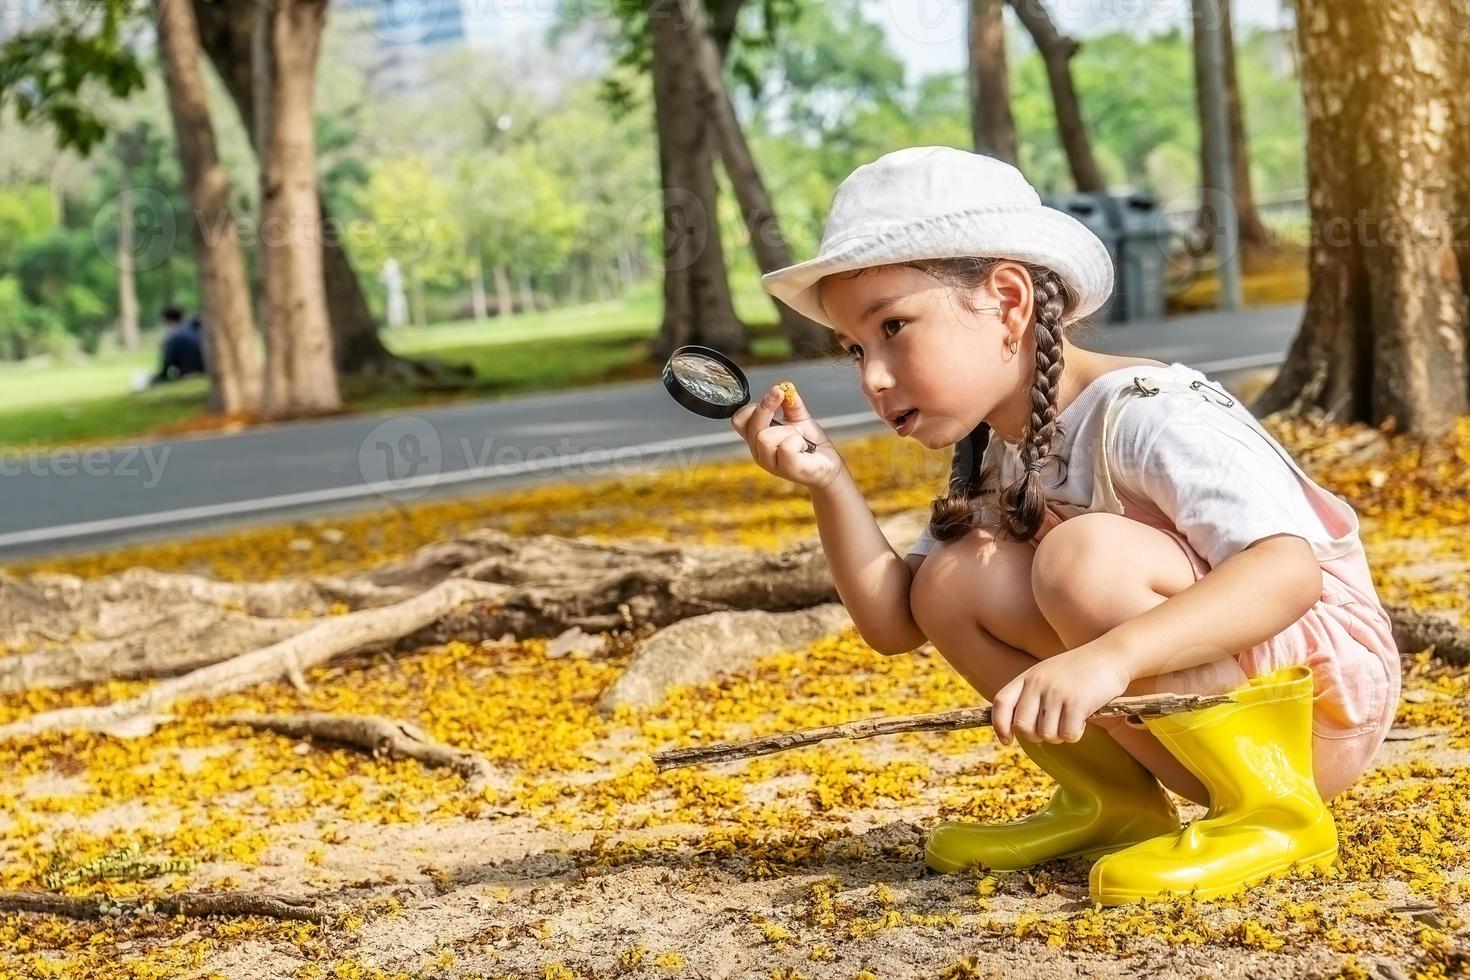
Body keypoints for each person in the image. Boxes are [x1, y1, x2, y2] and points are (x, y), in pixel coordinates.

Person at [739, 146, 1400, 905]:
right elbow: (898, 622)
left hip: (1313, 709)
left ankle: (1274, 810)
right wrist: (827, 481)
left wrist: (1110, 660)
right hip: (1175, 713)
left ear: (1009, 303)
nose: (873, 377)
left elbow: (1288, 571)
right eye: (857, 348)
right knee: (953, 580)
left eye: (894, 327)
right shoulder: (995, 448)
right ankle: (1115, 805)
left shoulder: (1150, 408)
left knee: (1081, 557)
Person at [150, 305, 206, 385]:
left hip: (189, 376)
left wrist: (156, 379)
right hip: (205, 372)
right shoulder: (194, 329)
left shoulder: (174, 336)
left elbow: (167, 365)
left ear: (166, 321)